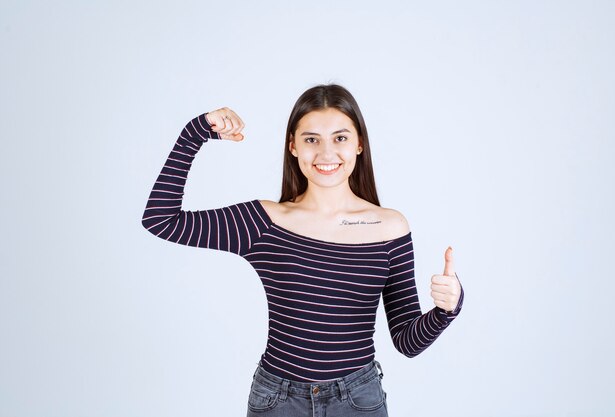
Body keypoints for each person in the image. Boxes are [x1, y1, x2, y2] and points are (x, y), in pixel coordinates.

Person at [141, 84, 464, 416]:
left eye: (340, 138)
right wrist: (195, 131)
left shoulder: (389, 228)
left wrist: (446, 310)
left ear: (359, 145)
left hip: (357, 400)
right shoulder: (264, 222)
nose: (326, 154)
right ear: (293, 146)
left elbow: (407, 341)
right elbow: (160, 220)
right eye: (312, 139)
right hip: (278, 400)